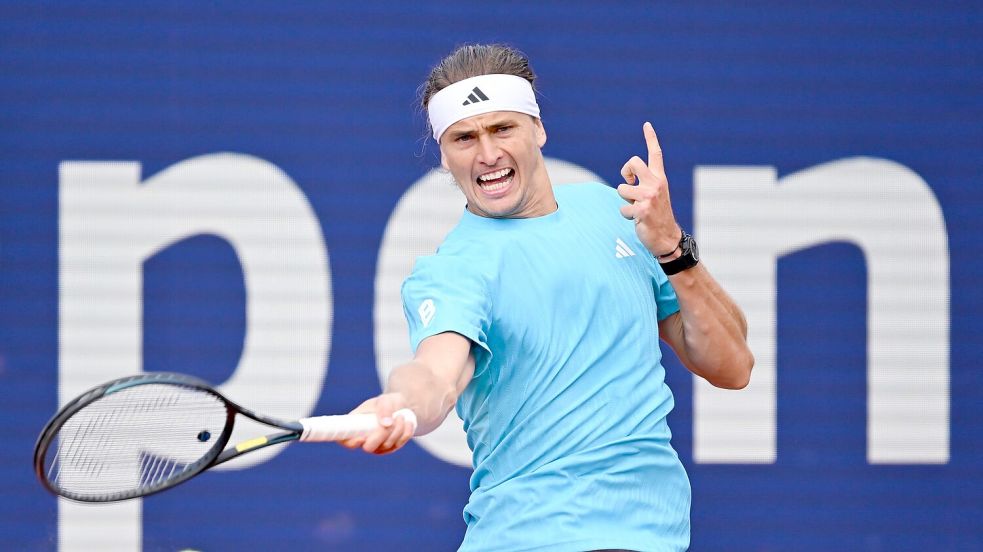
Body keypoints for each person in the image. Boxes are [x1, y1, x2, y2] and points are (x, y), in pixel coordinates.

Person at [341, 43, 753, 552]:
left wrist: (672, 248)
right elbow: (436, 374)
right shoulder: (455, 271)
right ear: (444, 156)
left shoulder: (613, 212)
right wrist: (401, 404)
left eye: (502, 129)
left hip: (651, 537)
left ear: (538, 128)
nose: (487, 154)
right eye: (464, 137)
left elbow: (733, 367)